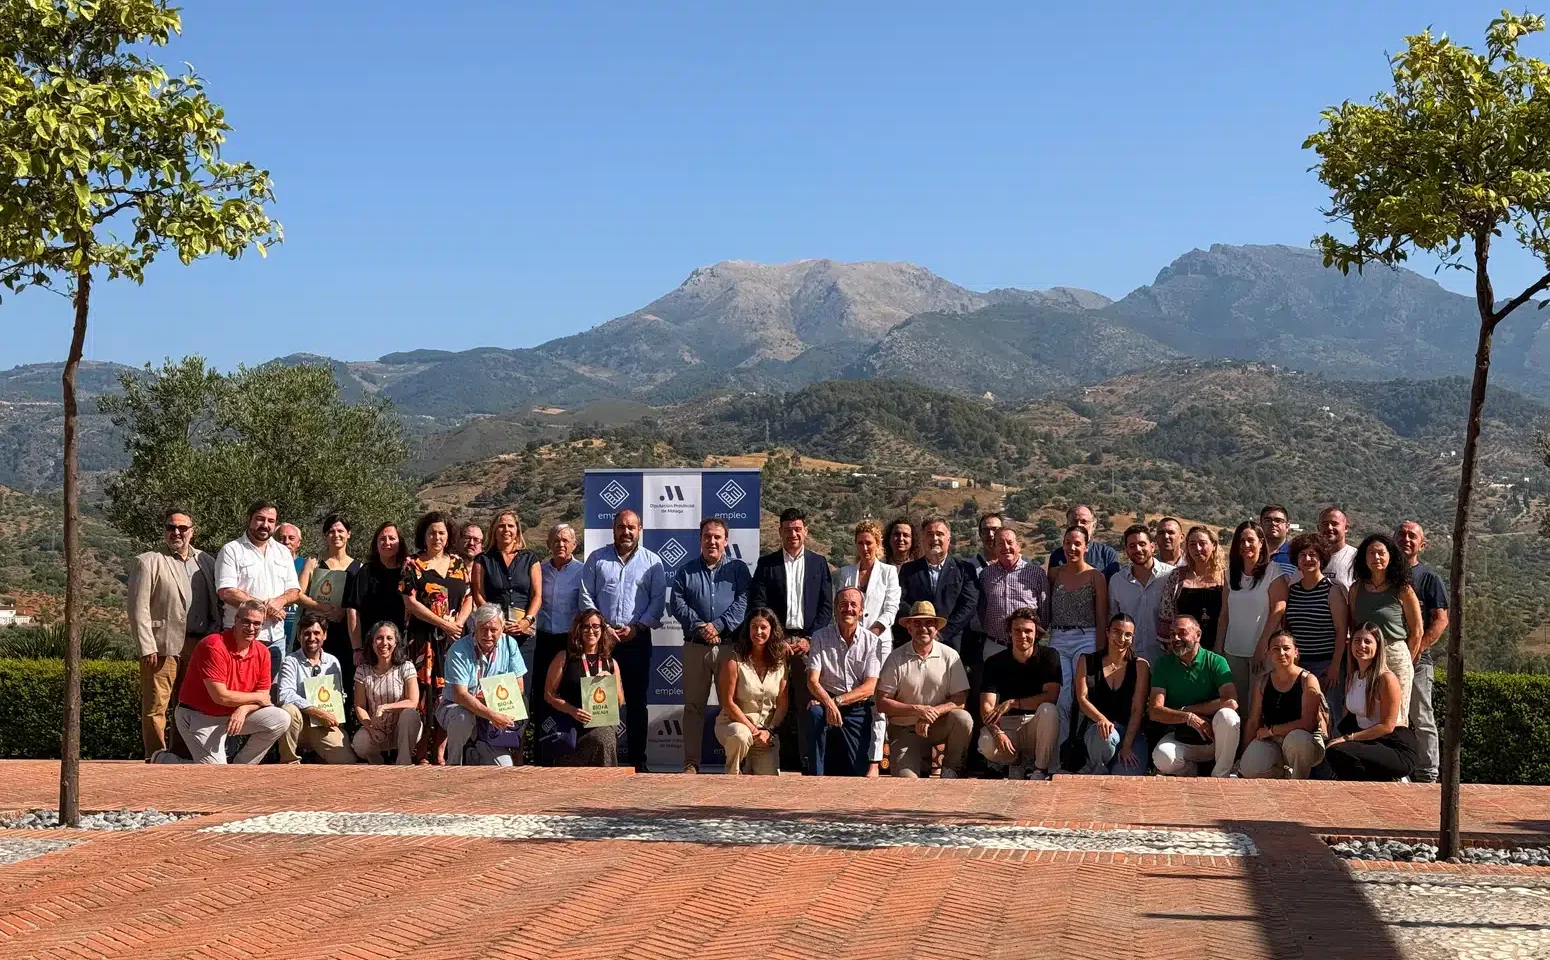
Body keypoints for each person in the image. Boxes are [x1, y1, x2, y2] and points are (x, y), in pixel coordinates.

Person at [126, 507, 220, 760]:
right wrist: (147, 645)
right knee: (156, 705)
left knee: (187, 705)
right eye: (171, 527)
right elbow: (138, 608)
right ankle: (155, 755)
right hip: (162, 645)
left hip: (198, 646)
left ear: (193, 531)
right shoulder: (148, 561)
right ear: (164, 530)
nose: (176, 532)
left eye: (182, 528)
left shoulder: (207, 562)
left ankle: (179, 755)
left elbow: (215, 604)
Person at [580, 508, 665, 772]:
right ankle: (603, 760)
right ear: (613, 529)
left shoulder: (653, 562)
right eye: (621, 527)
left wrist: (638, 627)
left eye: (631, 527)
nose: (626, 532)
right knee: (600, 699)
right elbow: (585, 597)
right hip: (601, 641)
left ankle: (639, 760)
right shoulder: (596, 559)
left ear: (640, 530)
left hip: (637, 639)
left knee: (638, 702)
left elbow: (657, 601)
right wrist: (603, 628)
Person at [157, 600, 290, 765]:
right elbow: (221, 696)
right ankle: (166, 760)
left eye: (257, 624)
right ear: (236, 619)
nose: (251, 628)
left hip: (232, 715)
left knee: (281, 719)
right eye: (246, 621)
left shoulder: (263, 652)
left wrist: (243, 709)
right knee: (215, 771)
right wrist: (255, 699)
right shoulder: (213, 646)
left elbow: (263, 697)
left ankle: (242, 766)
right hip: (199, 716)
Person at [751, 508, 833, 770]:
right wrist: (778, 640)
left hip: (808, 644)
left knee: (805, 704)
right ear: (780, 532)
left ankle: (806, 762)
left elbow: (826, 606)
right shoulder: (767, 564)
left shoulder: (819, 564)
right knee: (772, 702)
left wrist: (810, 638)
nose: (793, 534)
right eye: (788, 529)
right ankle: (772, 759)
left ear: (806, 532)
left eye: (798, 529)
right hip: (775, 644)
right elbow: (759, 604)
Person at [670, 517, 751, 773]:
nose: (712, 541)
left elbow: (742, 603)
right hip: (695, 646)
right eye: (707, 536)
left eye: (717, 537)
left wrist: (718, 625)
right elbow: (677, 604)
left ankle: (739, 763)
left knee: (735, 705)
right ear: (700, 539)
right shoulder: (686, 571)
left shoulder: (738, 570)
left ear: (726, 541)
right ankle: (691, 763)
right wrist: (701, 627)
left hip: (729, 647)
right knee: (694, 707)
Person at [401, 511, 473, 763]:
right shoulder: (412, 564)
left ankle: (440, 753)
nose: (437, 537)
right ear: (424, 535)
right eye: (432, 532)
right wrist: (443, 623)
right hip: (422, 641)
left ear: (448, 535)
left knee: (447, 694)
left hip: (451, 641)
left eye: (441, 532)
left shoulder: (457, 563)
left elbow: (469, 597)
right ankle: (420, 753)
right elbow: (409, 601)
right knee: (422, 697)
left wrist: (458, 624)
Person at [877, 601, 974, 778]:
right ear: (909, 628)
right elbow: (882, 702)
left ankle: (951, 769)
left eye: (929, 623)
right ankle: (917, 762)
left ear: (936, 628)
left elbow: (960, 699)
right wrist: (917, 710)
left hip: (938, 725)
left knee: (963, 719)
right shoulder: (895, 658)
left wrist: (933, 713)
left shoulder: (950, 656)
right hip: (905, 728)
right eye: (917, 623)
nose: (923, 628)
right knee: (907, 781)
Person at [838, 519, 901, 776]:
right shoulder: (846, 573)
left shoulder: (889, 572)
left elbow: (891, 609)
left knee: (877, 700)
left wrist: (872, 632)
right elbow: (841, 607)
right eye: (861, 543)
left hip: (879, 643)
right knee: (853, 695)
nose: (865, 548)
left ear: (878, 545)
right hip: (849, 643)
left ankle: (875, 761)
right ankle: (851, 755)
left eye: (869, 543)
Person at [214, 500, 301, 684]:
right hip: (241, 637)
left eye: (271, 520)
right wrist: (265, 609)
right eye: (260, 519)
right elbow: (226, 591)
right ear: (249, 519)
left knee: (270, 693)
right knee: (238, 689)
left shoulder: (283, 553)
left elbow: (294, 591)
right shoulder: (231, 550)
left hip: (276, 639)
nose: (265, 525)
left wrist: (280, 601)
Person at [1323, 622, 1418, 781]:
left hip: (1394, 745)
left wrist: (1348, 738)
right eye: (1357, 640)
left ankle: (1394, 777)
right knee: (1334, 752)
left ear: (1378, 646)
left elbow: (1387, 726)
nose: (1362, 645)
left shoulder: (1386, 679)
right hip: (1370, 742)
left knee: (1338, 751)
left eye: (1368, 641)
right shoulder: (1353, 677)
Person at [469, 509, 542, 715]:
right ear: (494, 529)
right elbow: (478, 595)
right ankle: (491, 743)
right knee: (496, 689)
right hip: (494, 635)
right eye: (501, 525)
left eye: (510, 525)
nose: (506, 530)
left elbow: (537, 595)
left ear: (517, 530)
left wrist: (527, 621)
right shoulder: (482, 560)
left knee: (522, 692)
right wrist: (496, 624)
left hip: (524, 636)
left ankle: (517, 743)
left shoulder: (530, 558)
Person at [437, 603, 529, 766]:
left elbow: (519, 687)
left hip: (494, 713)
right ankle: (453, 766)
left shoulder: (510, 645)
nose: (488, 635)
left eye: (493, 630)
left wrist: (491, 708)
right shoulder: (459, 650)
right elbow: (461, 696)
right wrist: (492, 714)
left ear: (502, 629)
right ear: (474, 627)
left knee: (504, 768)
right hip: (457, 708)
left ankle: (474, 753)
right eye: (483, 629)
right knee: (462, 717)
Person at [978, 605, 1063, 779]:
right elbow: (987, 706)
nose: (1022, 636)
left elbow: (1051, 696)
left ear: (1036, 633)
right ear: (1009, 632)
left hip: (1035, 723)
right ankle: (1015, 763)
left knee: (1049, 710)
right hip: (1007, 725)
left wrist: (1012, 702)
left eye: (1028, 631)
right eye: (1017, 630)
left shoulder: (1049, 656)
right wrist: (997, 732)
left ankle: (1039, 770)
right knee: (986, 743)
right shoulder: (995, 662)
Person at [1149, 616, 1240, 778]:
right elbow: (1155, 711)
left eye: (1182, 633)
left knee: (1228, 716)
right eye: (1172, 634)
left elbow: (1231, 702)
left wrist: (1189, 711)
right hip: (1182, 736)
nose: (1175, 638)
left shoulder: (1216, 661)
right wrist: (1188, 717)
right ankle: (1191, 772)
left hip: (1214, 739)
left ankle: (1221, 776)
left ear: (1198, 635)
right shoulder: (1163, 664)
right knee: (1162, 758)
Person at [805, 586, 882, 776]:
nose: (848, 609)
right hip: (825, 702)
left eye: (853, 604)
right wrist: (828, 703)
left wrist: (837, 702)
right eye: (843, 604)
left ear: (862, 610)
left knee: (856, 771)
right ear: (835, 609)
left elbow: (870, 687)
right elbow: (812, 681)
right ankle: (816, 778)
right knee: (815, 713)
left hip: (855, 708)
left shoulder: (872, 641)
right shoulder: (820, 637)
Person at [1395, 520, 1450, 783]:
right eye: (1401, 534)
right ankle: (1396, 769)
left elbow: (1440, 620)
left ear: (1422, 545)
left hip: (1418, 663)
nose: (1406, 539)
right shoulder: (1383, 575)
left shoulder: (1429, 578)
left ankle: (1428, 773)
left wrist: (1416, 650)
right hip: (1383, 662)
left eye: (1412, 536)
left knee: (1421, 716)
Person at [1348, 533, 1421, 726]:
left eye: (1381, 553)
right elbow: (1353, 624)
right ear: (1364, 558)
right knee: (1368, 714)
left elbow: (1417, 631)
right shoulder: (1356, 589)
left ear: (1390, 556)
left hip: (1395, 655)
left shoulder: (1402, 589)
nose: (1376, 557)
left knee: (1396, 718)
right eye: (1371, 553)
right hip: (1366, 658)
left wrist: (1407, 660)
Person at [541, 609, 625, 767]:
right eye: (585, 626)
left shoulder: (611, 663)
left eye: (595, 626)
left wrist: (610, 682)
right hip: (570, 725)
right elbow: (549, 694)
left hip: (599, 722)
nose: (591, 631)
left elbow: (620, 702)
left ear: (602, 630)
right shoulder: (564, 657)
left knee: (603, 735)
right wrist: (572, 710)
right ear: (578, 630)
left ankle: (606, 786)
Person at [1217, 520, 1287, 705]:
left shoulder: (1274, 572)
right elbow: (1225, 612)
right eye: (1241, 541)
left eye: (1250, 540)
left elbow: (1278, 610)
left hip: (1262, 653)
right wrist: (1218, 648)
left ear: (1261, 543)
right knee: (1235, 704)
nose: (1245, 545)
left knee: (1259, 704)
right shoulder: (1230, 574)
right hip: (1233, 651)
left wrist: (1261, 647)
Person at [1239, 631, 1326, 779]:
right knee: (1249, 769)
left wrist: (1272, 731)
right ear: (1268, 653)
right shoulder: (1262, 682)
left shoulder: (1308, 680)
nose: (1281, 653)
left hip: (1304, 740)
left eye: (1286, 648)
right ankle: (1283, 776)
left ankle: (1298, 784)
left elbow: (1308, 724)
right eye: (1275, 649)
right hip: (1272, 740)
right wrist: (1243, 755)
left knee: (1298, 740)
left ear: (1296, 652)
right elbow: (1253, 721)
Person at [1048, 525, 1107, 742]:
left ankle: (1083, 750)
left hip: (1087, 638)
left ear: (1086, 547)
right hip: (1059, 638)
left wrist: (1101, 652)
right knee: (1062, 696)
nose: (1072, 548)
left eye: (1077, 544)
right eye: (1067, 543)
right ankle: (1059, 753)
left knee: (1084, 694)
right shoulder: (1054, 574)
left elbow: (1102, 617)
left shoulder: (1096, 577)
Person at [1072, 614, 1150, 775]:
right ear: (1107, 632)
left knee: (1128, 777)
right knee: (1104, 737)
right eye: (1117, 631)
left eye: (1128, 634)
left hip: (1130, 733)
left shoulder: (1141, 666)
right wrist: (1101, 719)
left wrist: (1127, 746)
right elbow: (1082, 698)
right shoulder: (1087, 660)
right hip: (1097, 731)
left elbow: (1137, 709)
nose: (1122, 638)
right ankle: (1096, 769)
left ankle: (1112, 765)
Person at [275, 612, 358, 764]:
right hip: (298, 725)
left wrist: (338, 721)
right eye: (306, 633)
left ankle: (320, 757)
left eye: (316, 633)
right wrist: (316, 711)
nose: (312, 638)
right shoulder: (290, 661)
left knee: (347, 761)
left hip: (321, 725)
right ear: (299, 636)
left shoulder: (332, 662)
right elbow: (285, 695)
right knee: (288, 710)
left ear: (325, 635)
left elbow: (338, 695)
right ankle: (288, 762)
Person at [714, 607, 788, 775]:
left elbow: (782, 705)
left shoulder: (779, 662)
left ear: (772, 630)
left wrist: (768, 731)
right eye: (754, 627)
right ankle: (732, 775)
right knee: (741, 736)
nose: (758, 632)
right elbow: (728, 703)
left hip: (765, 734)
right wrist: (754, 731)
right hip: (734, 725)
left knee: (767, 783)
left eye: (763, 627)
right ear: (747, 629)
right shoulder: (734, 660)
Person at [1282, 532, 1347, 715]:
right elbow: (1288, 629)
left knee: (1330, 714)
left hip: (1326, 665)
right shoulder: (1292, 591)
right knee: (1300, 714)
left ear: (1322, 558)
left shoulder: (1332, 591)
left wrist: (1334, 667)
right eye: (1303, 555)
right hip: (1299, 665)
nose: (1308, 559)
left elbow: (1342, 631)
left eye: (1313, 555)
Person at [296, 515, 362, 697]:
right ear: (326, 535)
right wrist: (321, 607)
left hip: (347, 632)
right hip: (317, 630)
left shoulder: (359, 567)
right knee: (315, 676)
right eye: (331, 531)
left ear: (349, 534)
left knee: (346, 677)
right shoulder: (313, 562)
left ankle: (344, 723)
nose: (336, 535)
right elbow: (298, 595)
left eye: (340, 531)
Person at [898, 515, 980, 655]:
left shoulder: (965, 569)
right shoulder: (909, 570)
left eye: (939, 534)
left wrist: (942, 633)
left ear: (949, 539)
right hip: (916, 640)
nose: (935, 539)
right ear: (923, 540)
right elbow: (901, 601)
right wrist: (919, 628)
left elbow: (969, 605)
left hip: (954, 642)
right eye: (930, 534)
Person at [534, 523, 583, 754]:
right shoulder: (539, 570)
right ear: (548, 544)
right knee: (542, 696)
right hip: (543, 640)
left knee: (568, 696)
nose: (560, 544)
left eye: (565, 540)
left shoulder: (583, 572)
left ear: (574, 544)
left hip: (570, 642)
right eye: (556, 540)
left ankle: (571, 750)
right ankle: (541, 751)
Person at [351, 620, 422, 764]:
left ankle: (403, 763)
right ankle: (378, 764)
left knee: (410, 714)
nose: (384, 643)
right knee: (360, 743)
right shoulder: (362, 671)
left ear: (396, 643)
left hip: (402, 730)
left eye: (389, 638)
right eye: (379, 638)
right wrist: (371, 729)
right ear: (372, 643)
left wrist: (384, 707)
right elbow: (360, 706)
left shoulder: (406, 667)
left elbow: (413, 702)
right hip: (376, 729)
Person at [345, 522, 407, 679]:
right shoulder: (366, 572)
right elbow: (353, 610)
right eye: (382, 539)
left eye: (392, 538)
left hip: (401, 645)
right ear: (376, 544)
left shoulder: (407, 572)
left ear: (400, 543)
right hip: (370, 646)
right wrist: (357, 649)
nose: (387, 543)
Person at [979, 527, 1051, 661]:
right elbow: (982, 609)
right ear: (994, 548)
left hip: (1027, 647)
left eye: (1010, 542)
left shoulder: (1036, 573)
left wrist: (1033, 638)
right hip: (995, 646)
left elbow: (1044, 612)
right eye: (1000, 544)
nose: (1006, 547)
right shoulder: (986, 575)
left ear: (1018, 545)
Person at [1107, 523, 1170, 667]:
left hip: (1165, 660)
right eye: (1132, 545)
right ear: (1126, 550)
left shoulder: (1170, 575)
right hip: (1130, 661)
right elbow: (1113, 619)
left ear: (1152, 546)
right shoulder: (1117, 581)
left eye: (1142, 544)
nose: (1138, 549)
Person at [1157, 525, 1224, 650]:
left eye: (1202, 543)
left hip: (1220, 648)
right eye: (1192, 544)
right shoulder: (1177, 576)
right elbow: (1167, 612)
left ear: (1214, 545)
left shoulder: (1226, 577)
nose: (1197, 549)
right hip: (1184, 649)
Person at [1046, 504, 1121, 578]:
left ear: (1093, 526)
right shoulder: (1057, 556)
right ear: (1068, 525)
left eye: (1084, 522)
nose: (1079, 525)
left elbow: (1114, 586)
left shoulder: (1107, 554)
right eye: (1074, 521)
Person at [276, 522, 306, 646]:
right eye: (281, 538)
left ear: (299, 542)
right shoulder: (266, 564)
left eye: (291, 538)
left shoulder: (307, 565)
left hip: (298, 626)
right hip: (275, 626)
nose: (286, 542)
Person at [1320, 507, 1358, 589]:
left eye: (1334, 524)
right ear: (1319, 528)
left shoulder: (1357, 557)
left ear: (1346, 528)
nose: (1329, 528)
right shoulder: (1308, 558)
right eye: (1325, 524)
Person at [1261, 505, 1299, 581]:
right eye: (1268, 520)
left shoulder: (1297, 554)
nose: (1273, 524)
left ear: (1287, 527)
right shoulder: (1251, 553)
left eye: (1278, 520)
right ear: (1260, 525)